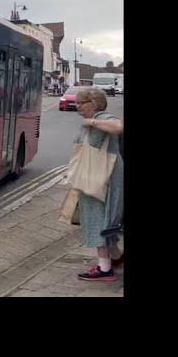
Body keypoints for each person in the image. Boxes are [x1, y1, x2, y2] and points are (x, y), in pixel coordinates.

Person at [73, 87, 124, 282]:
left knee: (96, 216)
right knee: (105, 219)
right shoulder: (96, 120)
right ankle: (116, 257)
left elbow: (118, 126)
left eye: (81, 103)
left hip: (101, 176)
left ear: (93, 104)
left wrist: (92, 122)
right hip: (100, 173)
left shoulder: (103, 117)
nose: (77, 107)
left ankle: (105, 270)